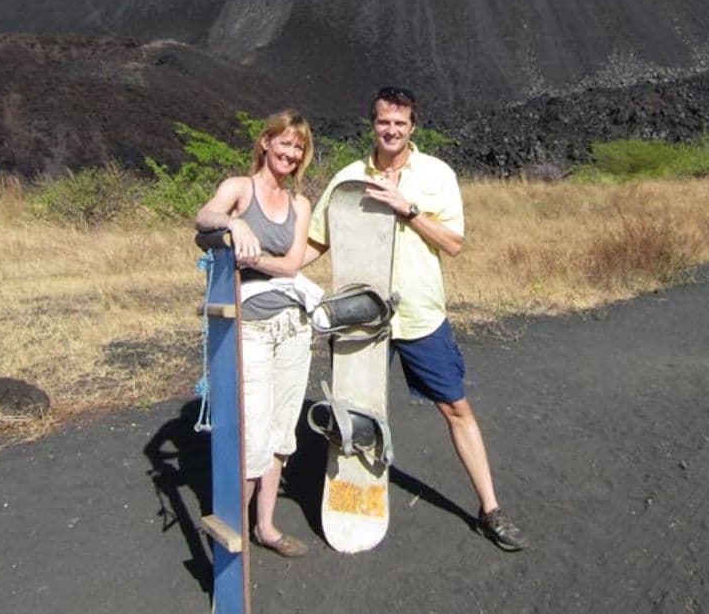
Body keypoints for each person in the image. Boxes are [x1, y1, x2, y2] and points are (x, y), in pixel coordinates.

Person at [305, 87, 529, 551]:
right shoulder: (348, 179)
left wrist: (406, 209)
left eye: (400, 124)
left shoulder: (436, 175)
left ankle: (491, 510)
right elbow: (316, 243)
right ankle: (351, 500)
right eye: (384, 122)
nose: (391, 130)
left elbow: (453, 243)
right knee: (353, 412)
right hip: (363, 323)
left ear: (412, 127)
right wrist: (261, 266)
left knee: (455, 407)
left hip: (420, 315)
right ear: (373, 124)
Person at [195, 109, 317, 558]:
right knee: (252, 435)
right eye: (283, 142)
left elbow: (290, 263)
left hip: (293, 327)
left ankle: (266, 527)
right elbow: (203, 215)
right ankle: (232, 540)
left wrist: (253, 259)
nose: (290, 152)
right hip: (252, 329)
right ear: (265, 142)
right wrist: (234, 223)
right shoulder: (238, 188)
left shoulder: (300, 204)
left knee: (283, 430)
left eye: (298, 146)